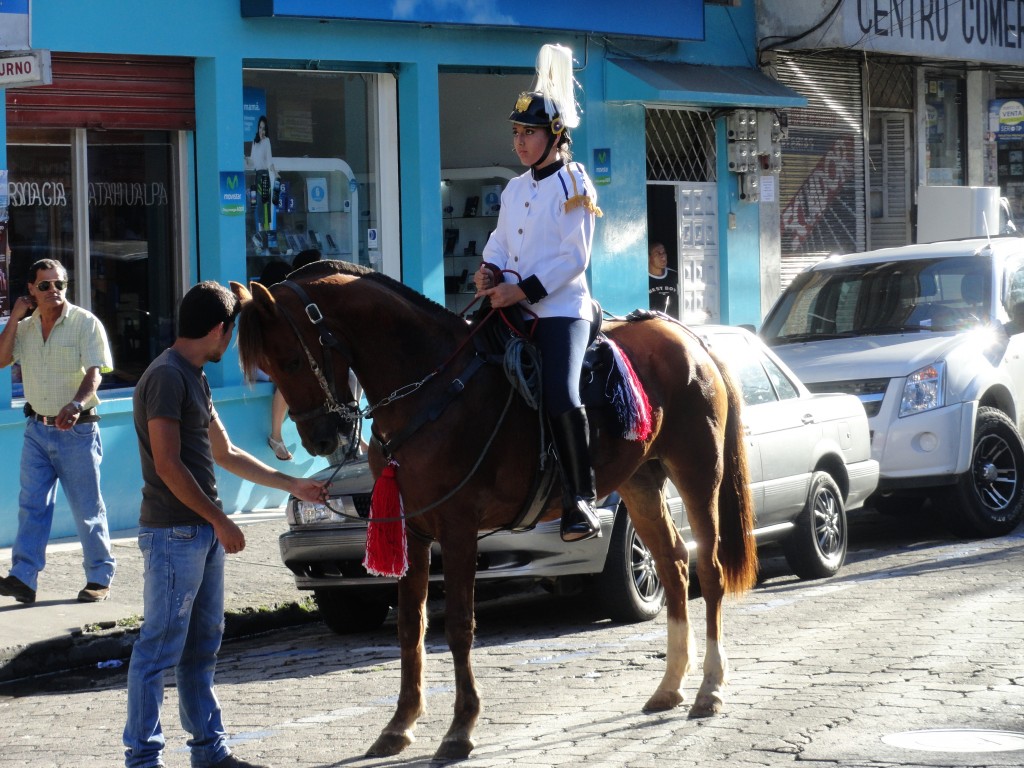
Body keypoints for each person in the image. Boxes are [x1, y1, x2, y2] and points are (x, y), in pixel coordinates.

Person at [123, 280, 328, 768]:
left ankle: (209, 752)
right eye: (233, 332)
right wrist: (220, 520)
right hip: (175, 533)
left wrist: (293, 484)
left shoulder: (193, 375)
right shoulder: (167, 376)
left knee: (201, 648)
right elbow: (168, 465)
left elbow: (226, 452)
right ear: (220, 328)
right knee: (158, 648)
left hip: (200, 534)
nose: (232, 343)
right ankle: (143, 758)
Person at [474, 43, 603, 543]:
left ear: (554, 135)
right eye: (516, 133)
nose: (519, 142)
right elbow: (500, 241)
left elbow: (574, 258)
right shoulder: (514, 188)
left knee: (561, 393)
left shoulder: (574, 182)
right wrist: (489, 271)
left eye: (528, 133)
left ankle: (580, 500)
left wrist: (520, 291)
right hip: (510, 305)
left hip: (560, 311)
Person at [0, 258, 115, 605]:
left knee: (87, 509)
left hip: (76, 430)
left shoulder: (84, 322)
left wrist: (77, 404)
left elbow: (95, 372)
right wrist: (15, 317)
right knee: (32, 505)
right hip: (36, 429)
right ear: (31, 290)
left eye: (59, 284)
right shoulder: (25, 328)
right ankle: (24, 578)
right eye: (45, 285)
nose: (54, 290)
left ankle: (99, 577)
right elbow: (2, 359)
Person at [648, 241, 679, 317]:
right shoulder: (643, 279)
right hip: (652, 322)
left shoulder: (675, 276)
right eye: (657, 254)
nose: (663, 257)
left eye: (664, 253)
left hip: (673, 321)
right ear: (648, 258)